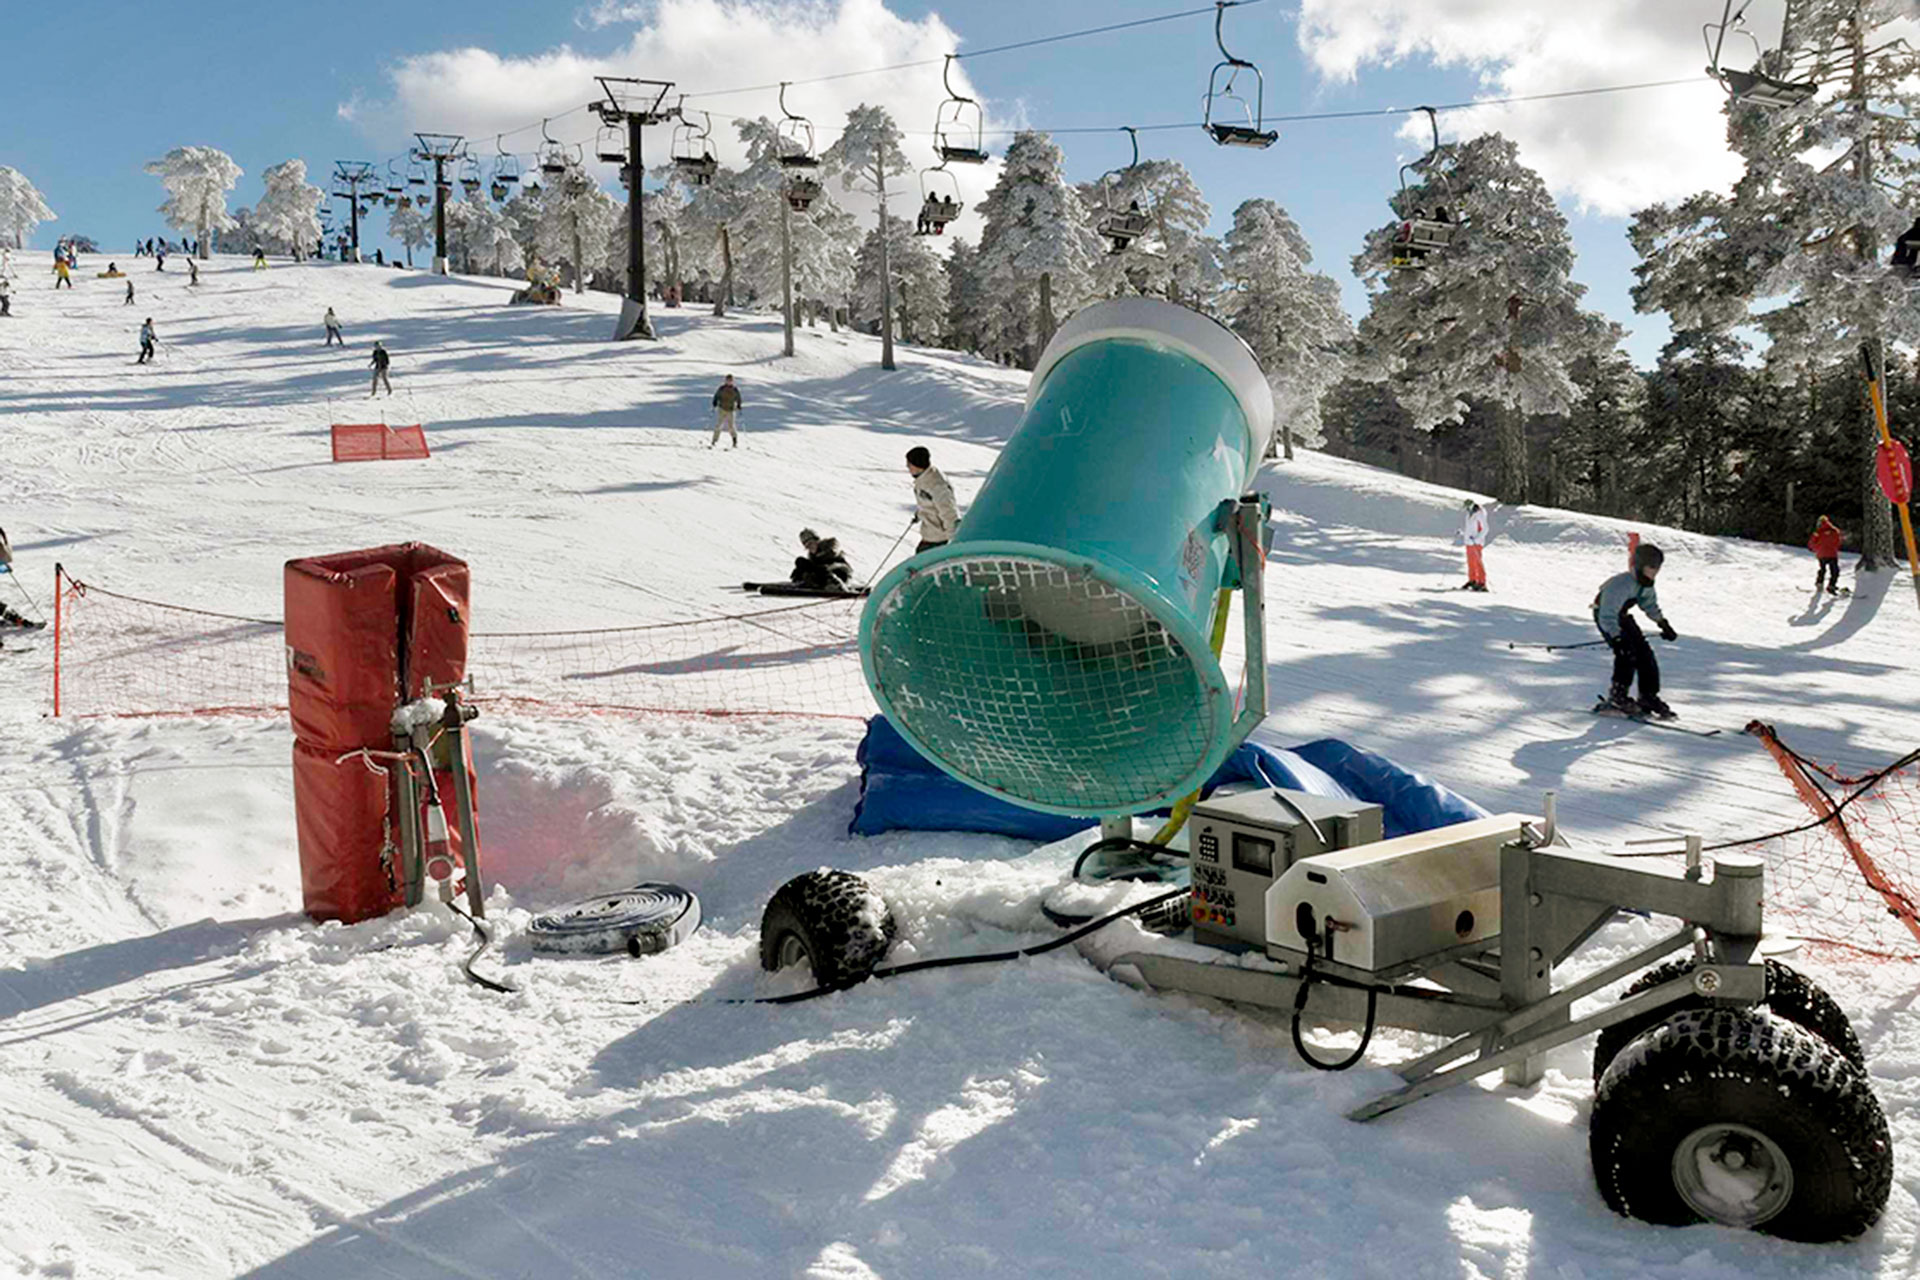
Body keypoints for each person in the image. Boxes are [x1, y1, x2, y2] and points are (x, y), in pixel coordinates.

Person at [1592, 542, 1677, 720]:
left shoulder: (1645, 584)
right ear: (1639, 566)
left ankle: (1648, 696)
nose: (1654, 573)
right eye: (1651, 568)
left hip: (1622, 616)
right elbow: (1607, 616)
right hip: (1606, 616)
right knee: (1626, 653)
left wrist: (1662, 623)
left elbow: (1649, 604)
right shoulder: (1621, 585)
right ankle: (1617, 696)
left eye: (1657, 569)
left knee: (1645, 654)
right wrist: (1616, 638)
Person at [906, 446, 960, 553]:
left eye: (909, 464)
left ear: (917, 465)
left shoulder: (937, 485)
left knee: (922, 564)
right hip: (930, 534)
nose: (907, 467)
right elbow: (928, 503)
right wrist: (920, 514)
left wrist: (952, 541)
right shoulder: (923, 478)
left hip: (938, 538)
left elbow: (948, 511)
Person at [1807, 515, 1845, 594]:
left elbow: (1811, 544)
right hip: (1832, 554)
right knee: (1834, 571)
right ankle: (1831, 585)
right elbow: (1839, 541)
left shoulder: (1818, 532)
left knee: (1822, 569)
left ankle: (1819, 583)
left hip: (1821, 554)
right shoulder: (1834, 530)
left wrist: (1816, 549)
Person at [1460, 499, 1489, 591]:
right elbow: (1469, 528)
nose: (1467, 509)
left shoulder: (1480, 513)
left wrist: (1477, 538)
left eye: (1467, 507)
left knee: (1478, 562)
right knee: (1470, 562)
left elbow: (1485, 528)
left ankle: (1482, 582)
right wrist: (1463, 533)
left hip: (1476, 542)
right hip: (1469, 542)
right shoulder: (1469, 514)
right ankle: (1473, 580)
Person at [710, 374, 742, 448]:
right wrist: (715, 402)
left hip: (731, 410)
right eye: (728, 380)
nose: (729, 382)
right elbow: (716, 396)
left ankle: (734, 440)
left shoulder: (735, 389)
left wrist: (739, 405)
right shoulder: (721, 389)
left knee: (731, 426)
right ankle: (714, 440)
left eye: (730, 381)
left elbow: (738, 398)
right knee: (719, 425)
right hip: (722, 409)